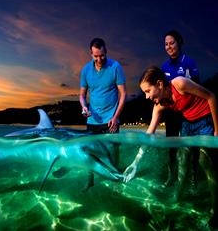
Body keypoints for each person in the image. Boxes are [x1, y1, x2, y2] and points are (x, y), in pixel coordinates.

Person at [124, 66, 218, 228]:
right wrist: (135, 163)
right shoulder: (159, 106)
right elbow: (149, 135)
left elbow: (211, 97)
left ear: (160, 84)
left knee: (205, 161)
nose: (146, 97)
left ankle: (216, 210)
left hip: (206, 119)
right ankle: (177, 200)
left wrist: (217, 130)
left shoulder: (180, 83)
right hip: (188, 124)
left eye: (148, 91)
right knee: (182, 159)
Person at [79, 37, 126, 190]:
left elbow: (123, 94)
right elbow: (81, 95)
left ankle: (116, 177)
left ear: (106, 52)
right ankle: (89, 179)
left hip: (111, 120)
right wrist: (84, 107)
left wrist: (116, 117)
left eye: (102, 55)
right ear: (91, 54)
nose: (99, 59)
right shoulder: (85, 70)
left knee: (113, 151)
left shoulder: (116, 66)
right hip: (92, 121)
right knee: (90, 152)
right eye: (96, 56)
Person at [161, 30, 200, 189]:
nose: (169, 47)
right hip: (171, 114)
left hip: (188, 114)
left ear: (179, 43)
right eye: (166, 44)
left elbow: (198, 89)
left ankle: (193, 178)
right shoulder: (164, 66)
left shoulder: (189, 62)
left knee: (191, 147)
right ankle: (172, 177)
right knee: (171, 147)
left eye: (172, 43)